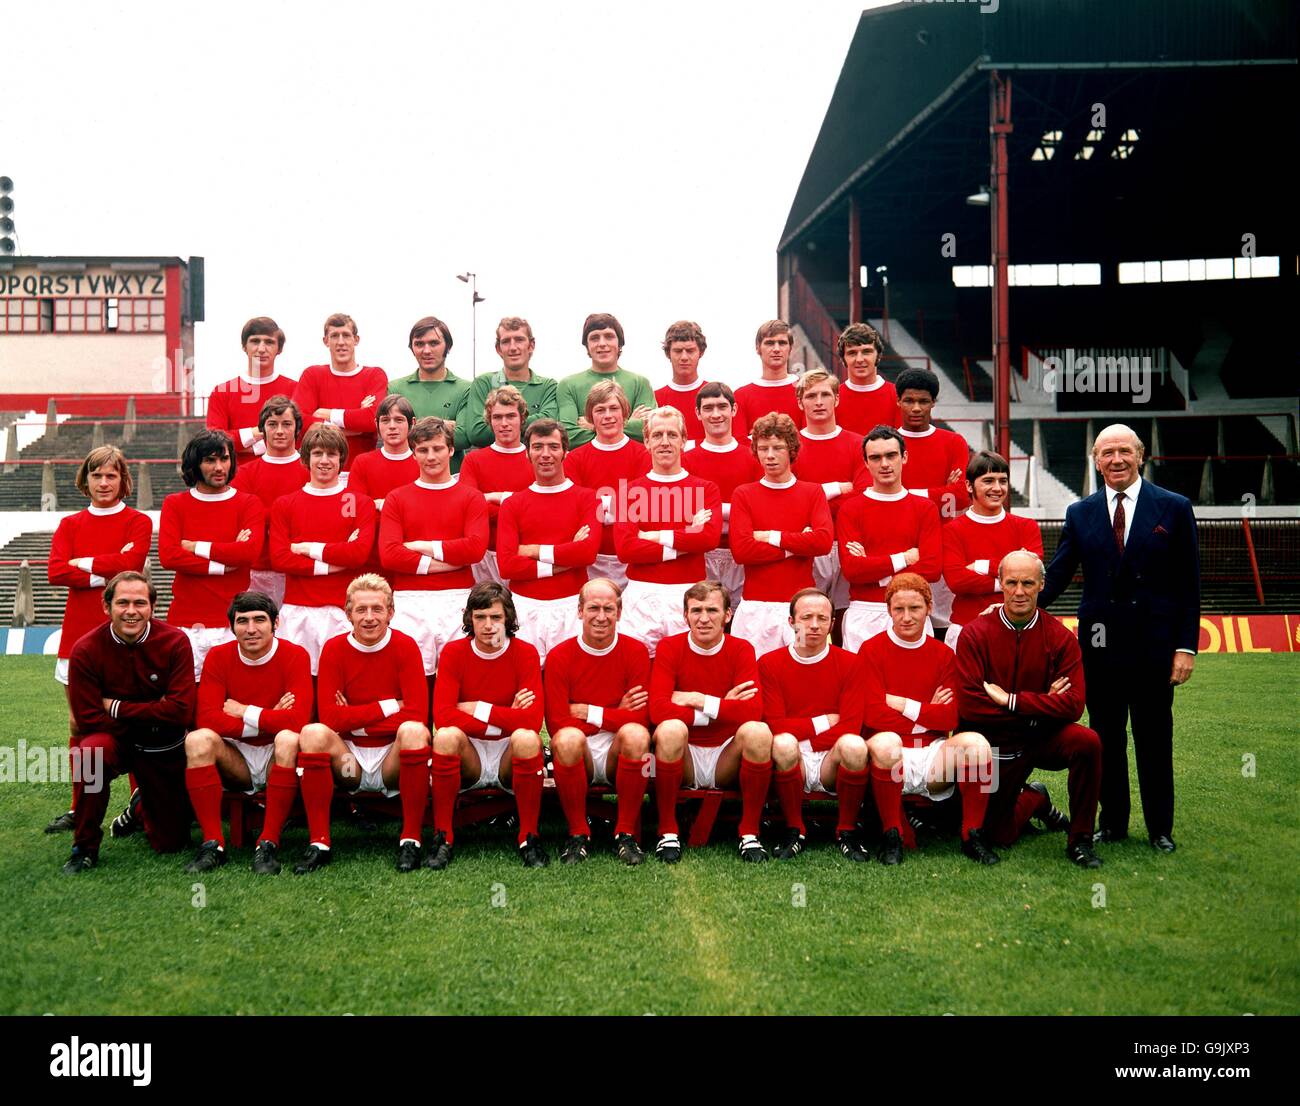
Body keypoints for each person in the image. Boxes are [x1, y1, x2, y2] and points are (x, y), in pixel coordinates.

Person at [1041, 423, 1199, 853]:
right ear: (1096, 461)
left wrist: (1185, 647)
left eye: (1124, 451)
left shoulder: (1174, 507)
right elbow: (1057, 575)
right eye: (1107, 452)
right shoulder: (1080, 512)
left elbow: (1188, 585)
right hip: (1099, 646)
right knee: (1105, 738)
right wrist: (1016, 605)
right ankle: (1111, 823)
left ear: (1140, 455)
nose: (1116, 460)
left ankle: (1160, 828)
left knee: (1154, 739)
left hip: (1154, 647)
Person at [955, 550, 1103, 868]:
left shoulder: (1060, 637)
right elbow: (970, 705)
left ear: (1041, 585)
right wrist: (1043, 705)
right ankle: (1035, 798)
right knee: (998, 834)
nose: (1019, 591)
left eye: (1028, 583)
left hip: (1041, 738)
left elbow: (1074, 704)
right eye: (1011, 583)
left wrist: (1012, 700)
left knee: (1087, 742)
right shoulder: (975, 634)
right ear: (1000, 583)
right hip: (993, 745)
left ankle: (1080, 839)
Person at [45, 445, 152, 834]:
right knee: (80, 724)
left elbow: (132, 566)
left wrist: (83, 563)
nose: (104, 482)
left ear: (123, 480)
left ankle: (141, 806)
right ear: (85, 480)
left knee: (136, 721)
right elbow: (56, 571)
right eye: (96, 475)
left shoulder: (138, 521)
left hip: (128, 636)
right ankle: (79, 807)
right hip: (78, 636)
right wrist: (108, 566)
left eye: (111, 475)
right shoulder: (70, 525)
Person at [858, 574, 1000, 866]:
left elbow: (949, 717)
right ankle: (892, 834)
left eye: (915, 608)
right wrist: (927, 712)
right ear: (889, 610)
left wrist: (902, 704)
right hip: (888, 756)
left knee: (978, 744)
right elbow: (872, 714)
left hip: (933, 754)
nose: (907, 617)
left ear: (929, 607)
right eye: (899, 609)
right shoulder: (870, 650)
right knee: (885, 741)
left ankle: (972, 834)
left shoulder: (944, 654)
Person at [294, 575, 431, 874]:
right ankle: (319, 842)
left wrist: (354, 718)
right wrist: (390, 706)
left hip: (393, 760)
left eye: (377, 609)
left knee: (414, 732)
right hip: (349, 762)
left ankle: (411, 839)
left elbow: (418, 714)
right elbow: (330, 718)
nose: (369, 617)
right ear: (348, 613)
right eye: (361, 610)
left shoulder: (406, 646)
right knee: (313, 733)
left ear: (390, 612)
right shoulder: (334, 649)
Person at [61, 572, 196, 873]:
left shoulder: (175, 641)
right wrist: (155, 712)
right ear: (106, 606)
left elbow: (180, 712)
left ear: (153, 607)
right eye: (122, 603)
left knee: (171, 843)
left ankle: (138, 809)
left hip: (162, 744)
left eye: (140, 603)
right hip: (114, 739)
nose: (131, 611)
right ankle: (84, 847)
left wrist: (116, 707)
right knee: (90, 754)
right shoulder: (86, 649)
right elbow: (87, 718)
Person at [182, 591, 313, 875]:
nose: (251, 629)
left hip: (277, 753)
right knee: (197, 739)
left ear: (275, 623)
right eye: (242, 621)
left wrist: (244, 711)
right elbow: (207, 719)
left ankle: (268, 843)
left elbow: (297, 720)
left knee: (288, 738)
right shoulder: (218, 656)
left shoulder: (295, 655)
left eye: (259, 620)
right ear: (232, 626)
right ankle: (213, 844)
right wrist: (269, 716)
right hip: (236, 755)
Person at [649, 582, 772, 863]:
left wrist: (698, 699)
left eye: (712, 610)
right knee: (669, 728)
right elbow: (657, 710)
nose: (704, 618)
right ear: (685, 615)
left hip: (726, 755)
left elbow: (753, 710)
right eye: (696, 610)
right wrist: (722, 706)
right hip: (685, 754)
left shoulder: (741, 649)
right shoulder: (669, 647)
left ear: (728, 615)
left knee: (758, 731)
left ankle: (749, 832)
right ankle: (668, 830)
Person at [430, 583, 548, 869]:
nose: (488, 625)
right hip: (470, 751)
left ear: (508, 618)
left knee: (527, 738)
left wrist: (478, 708)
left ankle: (529, 836)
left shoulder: (526, 653)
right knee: (445, 737)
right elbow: (443, 717)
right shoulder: (454, 652)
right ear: (469, 618)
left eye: (495, 617)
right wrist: (506, 717)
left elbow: (532, 720)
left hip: (509, 750)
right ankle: (443, 836)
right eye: (480, 617)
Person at [543, 578, 653, 865]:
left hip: (620, 749)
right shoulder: (559, 656)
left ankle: (625, 833)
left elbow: (641, 718)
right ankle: (578, 833)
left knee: (636, 735)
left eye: (608, 609)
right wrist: (616, 712)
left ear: (619, 612)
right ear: (580, 611)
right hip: (580, 752)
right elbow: (557, 724)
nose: (601, 617)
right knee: (567, 739)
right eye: (593, 608)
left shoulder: (636, 651)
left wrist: (587, 712)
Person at [760, 588, 869, 862]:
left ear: (832, 624)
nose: (814, 625)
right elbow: (774, 725)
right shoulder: (770, 663)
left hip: (831, 759)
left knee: (855, 746)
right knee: (783, 743)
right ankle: (794, 829)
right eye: (806, 617)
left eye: (822, 618)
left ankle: (846, 830)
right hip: (790, 756)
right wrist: (822, 722)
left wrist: (804, 735)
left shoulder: (851, 663)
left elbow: (850, 726)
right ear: (791, 622)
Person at [380, 416, 489, 677]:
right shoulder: (396, 498)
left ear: (451, 450)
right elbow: (390, 555)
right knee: (413, 678)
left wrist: (421, 546)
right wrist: (452, 561)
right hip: (409, 600)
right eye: (423, 450)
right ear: (413, 453)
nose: (431, 457)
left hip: (458, 598)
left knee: (459, 678)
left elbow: (474, 549)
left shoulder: (471, 497)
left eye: (438, 448)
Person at [268, 423, 377, 675]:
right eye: (317, 453)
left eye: (331, 454)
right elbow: (280, 559)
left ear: (341, 459)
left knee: (342, 685)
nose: (324, 461)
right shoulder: (285, 504)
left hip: (343, 611)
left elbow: (358, 555)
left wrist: (307, 549)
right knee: (298, 684)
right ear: (306, 458)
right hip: (297, 611)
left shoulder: (359, 503)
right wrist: (336, 560)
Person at [613, 408, 722, 657]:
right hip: (642, 594)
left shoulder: (706, 489)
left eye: (672, 435)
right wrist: (686, 535)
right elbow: (626, 549)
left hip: (690, 593)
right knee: (639, 665)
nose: (664, 442)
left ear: (683, 441)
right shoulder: (628, 492)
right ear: (647, 441)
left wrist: (652, 536)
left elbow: (708, 539)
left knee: (688, 666)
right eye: (657, 435)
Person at [158, 429, 265, 680]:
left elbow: (248, 553)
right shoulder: (175, 503)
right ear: (195, 464)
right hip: (186, 621)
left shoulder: (248, 503)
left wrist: (195, 546)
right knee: (185, 696)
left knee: (234, 694)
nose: (219, 467)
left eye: (224, 459)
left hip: (234, 623)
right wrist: (223, 564)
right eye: (210, 460)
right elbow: (169, 556)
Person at [495, 419, 600, 665]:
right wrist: (566, 557)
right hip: (524, 607)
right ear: (527, 453)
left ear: (565, 452)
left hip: (572, 606)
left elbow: (586, 554)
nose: (545, 454)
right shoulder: (513, 504)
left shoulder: (588, 498)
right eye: (537, 447)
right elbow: (507, 566)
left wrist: (532, 550)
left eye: (553, 447)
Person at [729, 412, 832, 656]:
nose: (770, 455)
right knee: (753, 672)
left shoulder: (812, 492)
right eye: (763, 448)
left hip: (802, 611)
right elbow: (742, 551)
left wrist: (771, 536)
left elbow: (822, 542)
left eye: (778, 448)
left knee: (805, 670)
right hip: (755, 610)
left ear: (792, 450)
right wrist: (797, 544)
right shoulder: (743, 494)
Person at [836, 426, 942, 652]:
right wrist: (904, 558)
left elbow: (932, 569)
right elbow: (853, 570)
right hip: (864, 613)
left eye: (891, 455)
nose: (884, 464)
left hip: (912, 611)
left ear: (904, 457)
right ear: (866, 463)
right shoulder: (850, 509)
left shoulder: (925, 508)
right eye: (876, 457)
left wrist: (875, 570)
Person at [942, 450, 1043, 654]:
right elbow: (956, 581)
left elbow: (1031, 574)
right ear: (969, 485)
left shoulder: (1027, 527)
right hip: (967, 627)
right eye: (988, 481)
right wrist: (1008, 581)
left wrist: (982, 565)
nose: (997, 488)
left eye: (1002, 481)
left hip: (1018, 631)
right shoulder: (952, 530)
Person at [791, 368, 870, 610]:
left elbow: (863, 498)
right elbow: (788, 500)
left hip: (850, 544)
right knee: (808, 616)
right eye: (810, 396)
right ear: (800, 403)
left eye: (825, 394)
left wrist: (811, 501)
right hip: (808, 547)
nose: (818, 402)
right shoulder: (789, 446)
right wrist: (836, 488)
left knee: (846, 617)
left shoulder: (858, 444)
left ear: (836, 399)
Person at [563, 379, 650, 589]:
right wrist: (620, 505)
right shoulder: (574, 459)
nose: (608, 415)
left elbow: (643, 509)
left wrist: (598, 505)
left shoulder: (644, 455)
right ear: (590, 416)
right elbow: (575, 511)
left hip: (634, 557)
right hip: (590, 560)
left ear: (624, 412)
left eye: (614, 408)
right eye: (600, 410)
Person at [682, 381, 761, 607]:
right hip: (701, 556)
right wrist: (736, 512)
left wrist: (714, 513)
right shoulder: (686, 461)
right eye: (708, 408)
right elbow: (686, 514)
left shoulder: (753, 458)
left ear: (733, 409)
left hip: (743, 556)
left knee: (738, 621)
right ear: (698, 413)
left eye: (722, 407)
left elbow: (759, 509)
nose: (716, 414)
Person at [231, 396, 308, 607]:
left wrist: (265, 519)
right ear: (262, 429)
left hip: (299, 572)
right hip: (255, 573)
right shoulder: (244, 474)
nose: (280, 431)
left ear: (297, 428)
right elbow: (242, 523)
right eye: (272, 424)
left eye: (287, 424)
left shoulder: (312, 471)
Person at [458, 385, 535, 585]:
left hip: (526, 555)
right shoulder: (473, 460)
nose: (504, 423)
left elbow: (543, 509)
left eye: (511, 416)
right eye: (497, 417)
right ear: (489, 421)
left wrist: (495, 498)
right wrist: (519, 505)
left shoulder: (538, 458)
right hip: (485, 557)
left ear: (522, 418)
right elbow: (470, 509)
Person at [292, 312, 388, 471]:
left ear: (356, 339)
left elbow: (372, 419)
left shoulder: (374, 375)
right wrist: (355, 427)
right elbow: (299, 421)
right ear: (326, 341)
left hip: (362, 470)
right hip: (320, 471)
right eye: (334, 336)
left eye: (346, 335)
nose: (341, 342)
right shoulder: (312, 375)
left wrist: (327, 414)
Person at [206, 316, 299, 466]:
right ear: (244, 346)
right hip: (237, 477)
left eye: (269, 342)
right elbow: (214, 443)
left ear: (279, 349)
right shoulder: (222, 392)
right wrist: (255, 433)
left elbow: (303, 437)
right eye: (255, 341)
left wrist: (251, 446)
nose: (261, 349)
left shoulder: (296, 389)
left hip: (287, 474)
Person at [386, 315, 473, 472]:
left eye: (434, 343)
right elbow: (394, 438)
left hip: (452, 479)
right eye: (419, 344)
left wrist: (412, 427)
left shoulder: (466, 389)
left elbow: (463, 438)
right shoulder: (395, 388)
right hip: (406, 478)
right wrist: (443, 425)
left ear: (448, 346)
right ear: (412, 348)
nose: (426, 350)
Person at [346, 394, 419, 580]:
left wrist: (379, 505)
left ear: (412, 423)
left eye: (399, 420)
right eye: (385, 420)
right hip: (370, 560)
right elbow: (350, 511)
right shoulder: (362, 462)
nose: (392, 426)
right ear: (376, 424)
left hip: (412, 557)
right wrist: (394, 509)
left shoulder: (423, 462)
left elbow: (425, 513)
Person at [556, 312, 656, 447]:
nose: (602, 343)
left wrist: (594, 426)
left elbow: (650, 430)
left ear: (619, 343)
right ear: (587, 345)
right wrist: (629, 423)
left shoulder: (640, 383)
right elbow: (568, 436)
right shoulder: (568, 385)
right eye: (594, 338)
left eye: (609, 336)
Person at [463, 316, 559, 448]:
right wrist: (533, 421)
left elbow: (548, 427)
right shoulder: (483, 383)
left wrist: (499, 423)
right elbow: (477, 433)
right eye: (506, 341)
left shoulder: (548, 386)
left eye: (519, 340)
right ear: (498, 349)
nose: (513, 347)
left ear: (531, 345)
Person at [653, 320, 748, 446]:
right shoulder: (655, 398)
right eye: (678, 351)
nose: (684, 357)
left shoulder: (719, 397)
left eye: (690, 351)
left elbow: (735, 442)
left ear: (701, 352)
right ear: (668, 353)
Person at [734, 319, 803, 431]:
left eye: (782, 343)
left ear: (790, 348)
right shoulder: (741, 396)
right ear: (758, 348)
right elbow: (739, 439)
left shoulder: (806, 390)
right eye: (769, 343)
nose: (776, 349)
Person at [834, 323, 897, 435]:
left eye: (866, 352)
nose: (859, 359)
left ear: (878, 355)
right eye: (852, 353)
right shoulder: (832, 399)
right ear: (843, 358)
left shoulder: (897, 396)